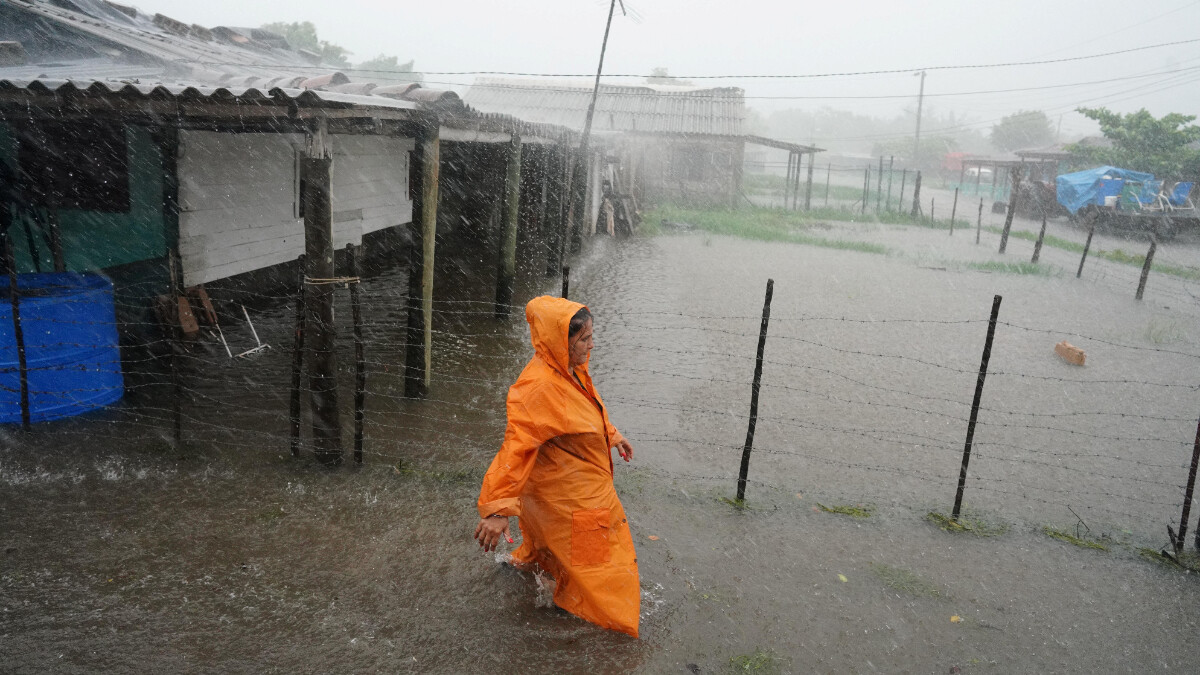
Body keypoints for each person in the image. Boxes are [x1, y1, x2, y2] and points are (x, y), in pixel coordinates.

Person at [473, 296, 640, 637]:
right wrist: (498, 507)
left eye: (592, 336)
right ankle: (607, 627)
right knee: (601, 571)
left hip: (564, 490)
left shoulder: (569, 369)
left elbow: (585, 411)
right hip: (577, 501)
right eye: (584, 339)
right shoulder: (539, 387)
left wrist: (612, 435)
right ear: (561, 342)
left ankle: (551, 589)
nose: (592, 345)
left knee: (562, 553)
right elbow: (515, 449)